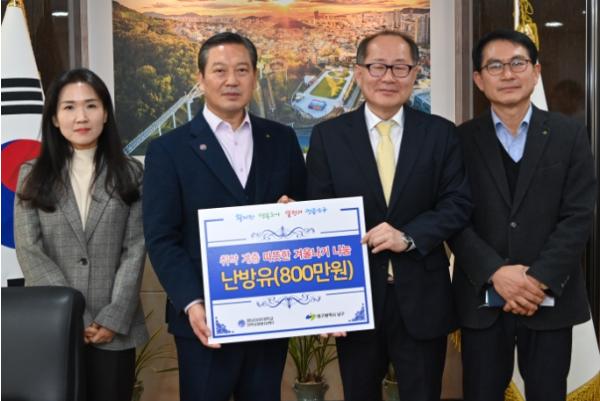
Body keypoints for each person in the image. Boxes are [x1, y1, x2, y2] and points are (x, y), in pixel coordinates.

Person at [305, 30, 472, 401]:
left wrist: (408, 237)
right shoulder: (328, 137)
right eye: (377, 66)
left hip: (422, 297)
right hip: (355, 299)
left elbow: (457, 204)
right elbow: (320, 212)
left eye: (400, 67)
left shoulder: (440, 134)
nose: (388, 77)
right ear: (358, 72)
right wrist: (326, 302)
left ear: (415, 72)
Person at [142, 32, 306, 401]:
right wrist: (191, 301)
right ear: (201, 78)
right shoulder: (168, 150)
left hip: (269, 314)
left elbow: (304, 211)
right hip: (203, 318)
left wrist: (294, 212)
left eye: (242, 70)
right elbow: (162, 237)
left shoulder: (281, 140)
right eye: (219, 70)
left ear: (255, 76)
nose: (231, 80)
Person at [450, 29, 597, 401]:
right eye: (495, 66)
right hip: (483, 299)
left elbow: (578, 215)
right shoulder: (459, 140)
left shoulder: (570, 135)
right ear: (479, 79)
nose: (508, 74)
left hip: (549, 300)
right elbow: (453, 216)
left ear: (536, 71)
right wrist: (496, 273)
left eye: (518, 63)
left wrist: (537, 279)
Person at [14, 68, 148, 401]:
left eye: (91, 105)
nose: (81, 117)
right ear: (54, 118)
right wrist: (72, 314)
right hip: (52, 325)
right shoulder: (31, 175)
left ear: (106, 113)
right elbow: (30, 249)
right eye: (69, 107)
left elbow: (135, 249)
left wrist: (113, 317)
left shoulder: (131, 173)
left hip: (113, 330)